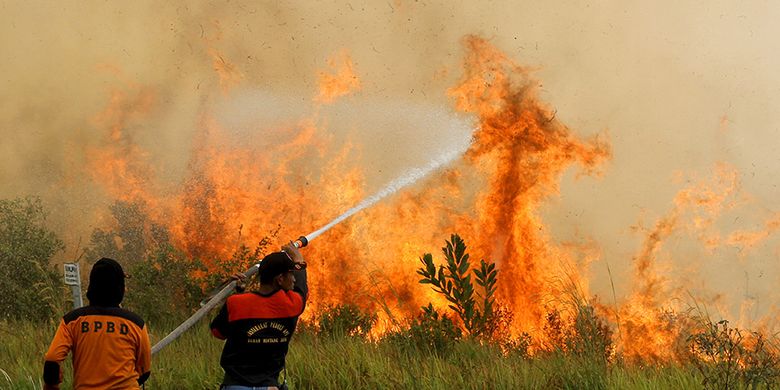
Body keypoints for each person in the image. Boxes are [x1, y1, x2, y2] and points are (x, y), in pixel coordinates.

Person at [210, 242, 308, 390]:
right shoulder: (292, 305)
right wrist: (299, 260)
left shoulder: (236, 303)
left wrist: (231, 291)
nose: (294, 279)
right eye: (291, 274)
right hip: (269, 386)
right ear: (280, 279)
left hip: (235, 386)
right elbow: (302, 288)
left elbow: (218, 332)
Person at [43, 258, 151, 390]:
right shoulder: (136, 324)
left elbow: (52, 359)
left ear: (92, 286)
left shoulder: (72, 321)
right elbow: (144, 371)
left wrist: (51, 385)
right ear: (120, 289)